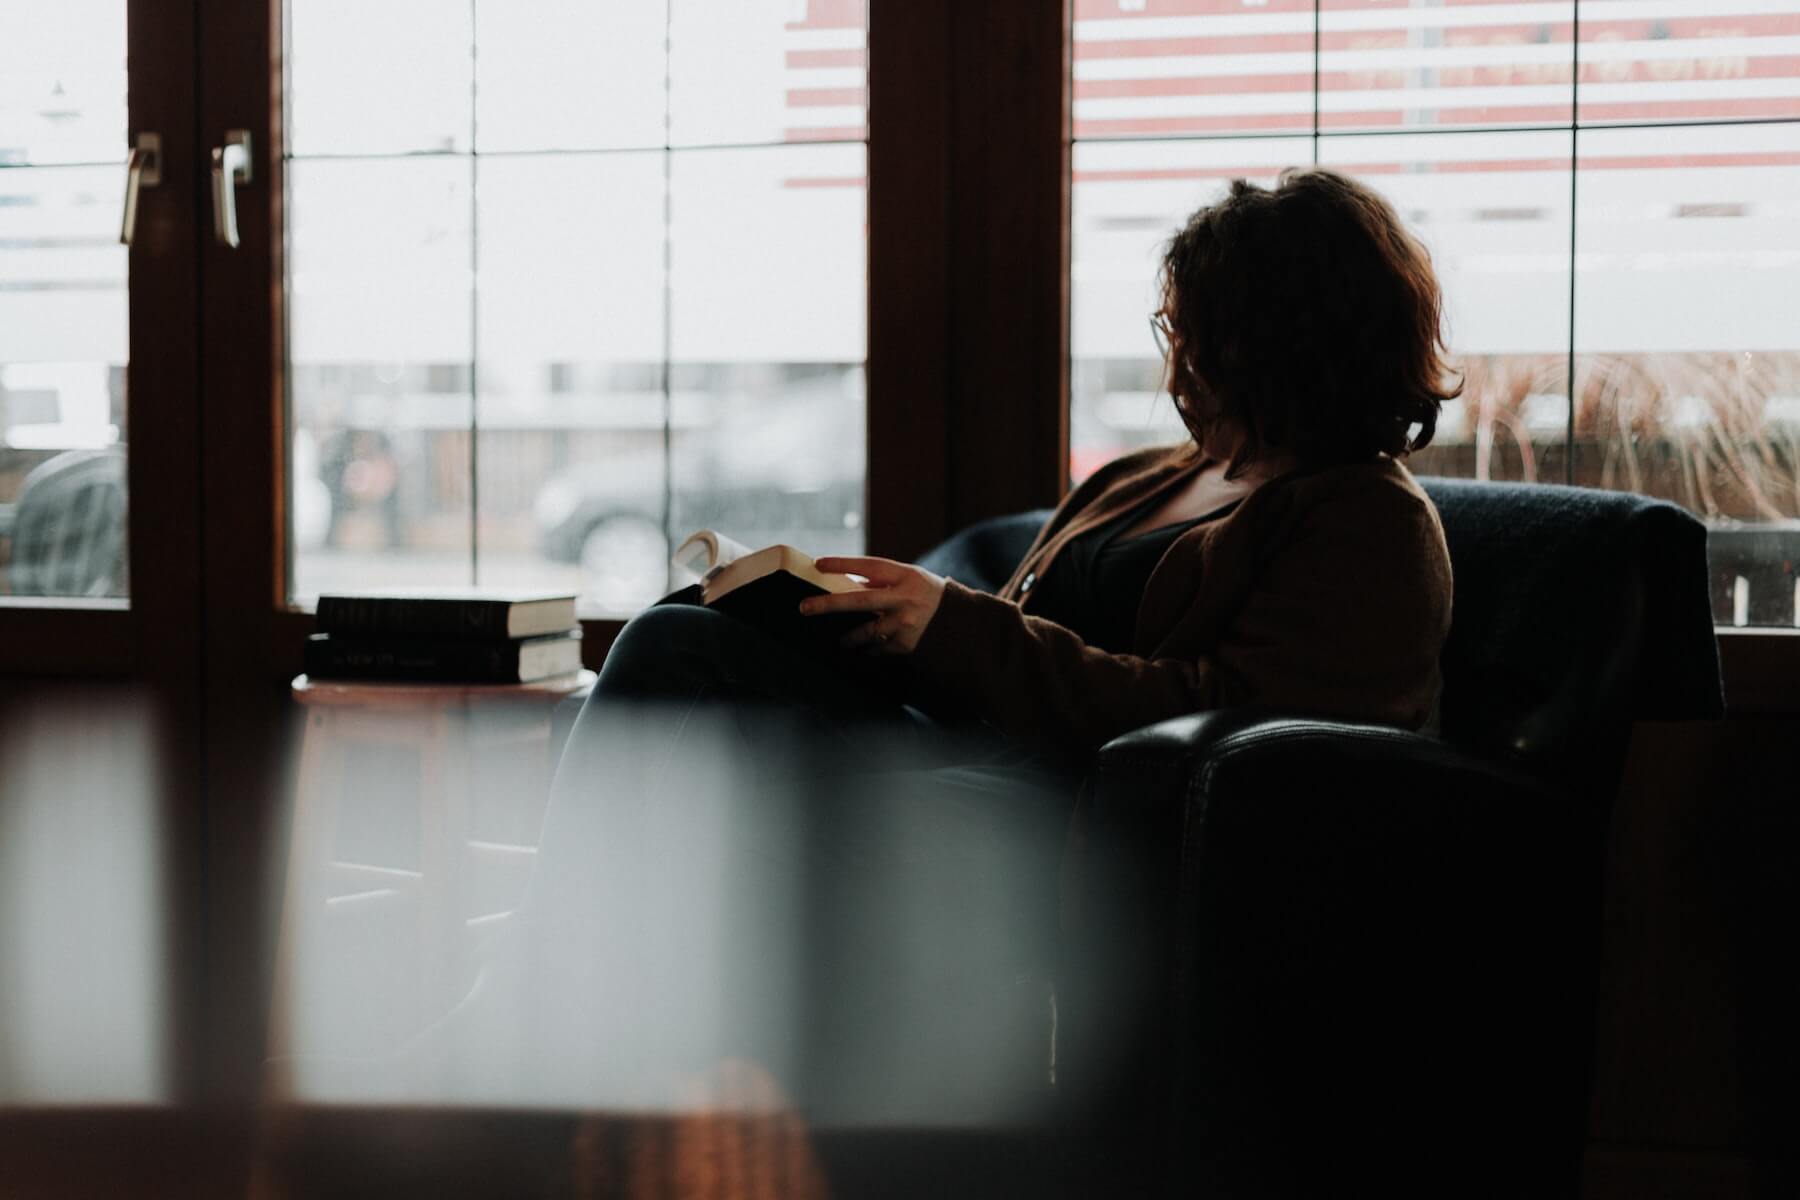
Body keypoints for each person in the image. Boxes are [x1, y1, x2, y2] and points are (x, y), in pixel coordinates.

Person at [487, 167, 1459, 1128]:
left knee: (684, 701)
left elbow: (1240, 727)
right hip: (974, 739)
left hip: (1072, 800)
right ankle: (586, 1044)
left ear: (1270, 342)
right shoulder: (1155, 475)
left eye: (1191, 337)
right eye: (1175, 335)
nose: (1175, 368)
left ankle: (531, 1038)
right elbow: (1021, 624)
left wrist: (959, 628)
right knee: (682, 637)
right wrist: (875, 625)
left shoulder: (1364, 518)